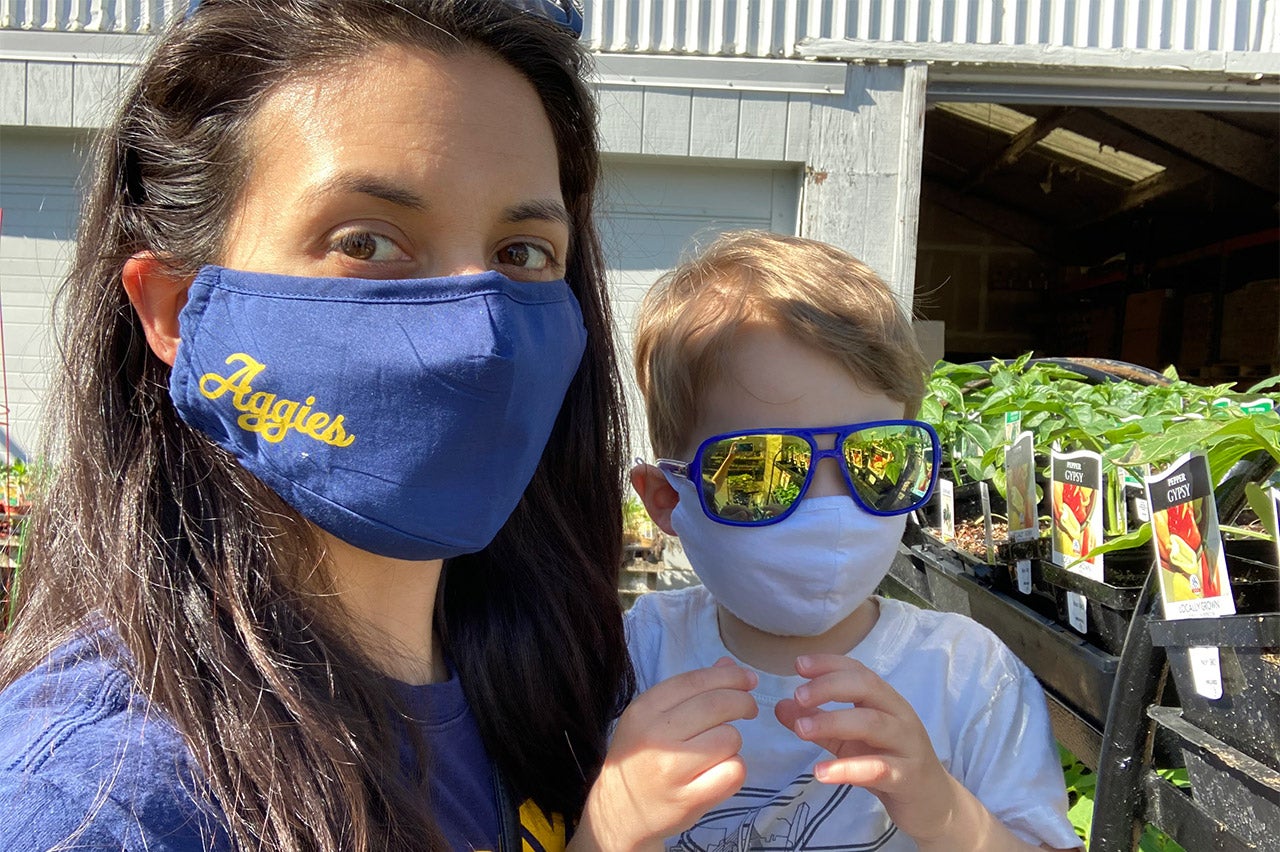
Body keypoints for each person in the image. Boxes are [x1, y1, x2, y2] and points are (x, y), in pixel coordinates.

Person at [0, 1, 652, 849]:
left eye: (521, 252)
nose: (477, 337)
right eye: (368, 242)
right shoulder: (100, 804)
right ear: (174, 310)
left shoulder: (564, 690)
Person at [619, 231, 1085, 850]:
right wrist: (614, 823)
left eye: (878, 460)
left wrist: (945, 811)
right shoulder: (636, 658)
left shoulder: (968, 675)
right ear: (666, 498)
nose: (832, 508)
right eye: (759, 469)